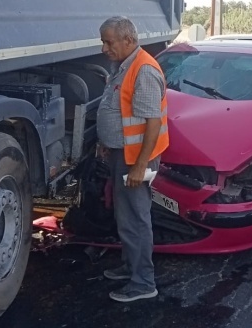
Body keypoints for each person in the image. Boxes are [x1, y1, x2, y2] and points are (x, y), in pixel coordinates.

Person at [96, 16, 169, 302]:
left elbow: (152, 122)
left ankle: (143, 283)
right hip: (123, 154)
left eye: (108, 42)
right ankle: (130, 267)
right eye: (103, 41)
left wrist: (139, 165)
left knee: (136, 219)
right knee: (125, 215)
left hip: (136, 159)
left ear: (128, 40)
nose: (104, 48)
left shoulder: (144, 70)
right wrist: (107, 144)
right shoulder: (124, 66)